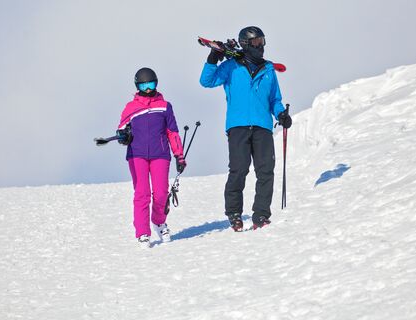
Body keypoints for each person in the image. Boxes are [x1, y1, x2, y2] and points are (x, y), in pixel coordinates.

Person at [199, 26, 292, 231]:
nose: (261, 46)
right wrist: (214, 56)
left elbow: (275, 99)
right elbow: (206, 81)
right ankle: (234, 213)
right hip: (238, 125)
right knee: (239, 170)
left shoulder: (268, 69)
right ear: (246, 44)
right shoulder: (231, 66)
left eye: (262, 41)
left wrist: (281, 114)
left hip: (262, 126)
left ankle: (261, 215)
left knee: (266, 171)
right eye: (257, 43)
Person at [117, 67, 186, 248]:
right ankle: (142, 233)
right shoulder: (130, 108)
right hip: (137, 155)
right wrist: (123, 136)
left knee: (161, 193)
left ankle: (159, 221)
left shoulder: (164, 106)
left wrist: (179, 155)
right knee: (142, 193)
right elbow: (122, 130)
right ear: (137, 86)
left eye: (151, 84)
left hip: (160, 154)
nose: (148, 89)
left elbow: (172, 132)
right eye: (144, 85)